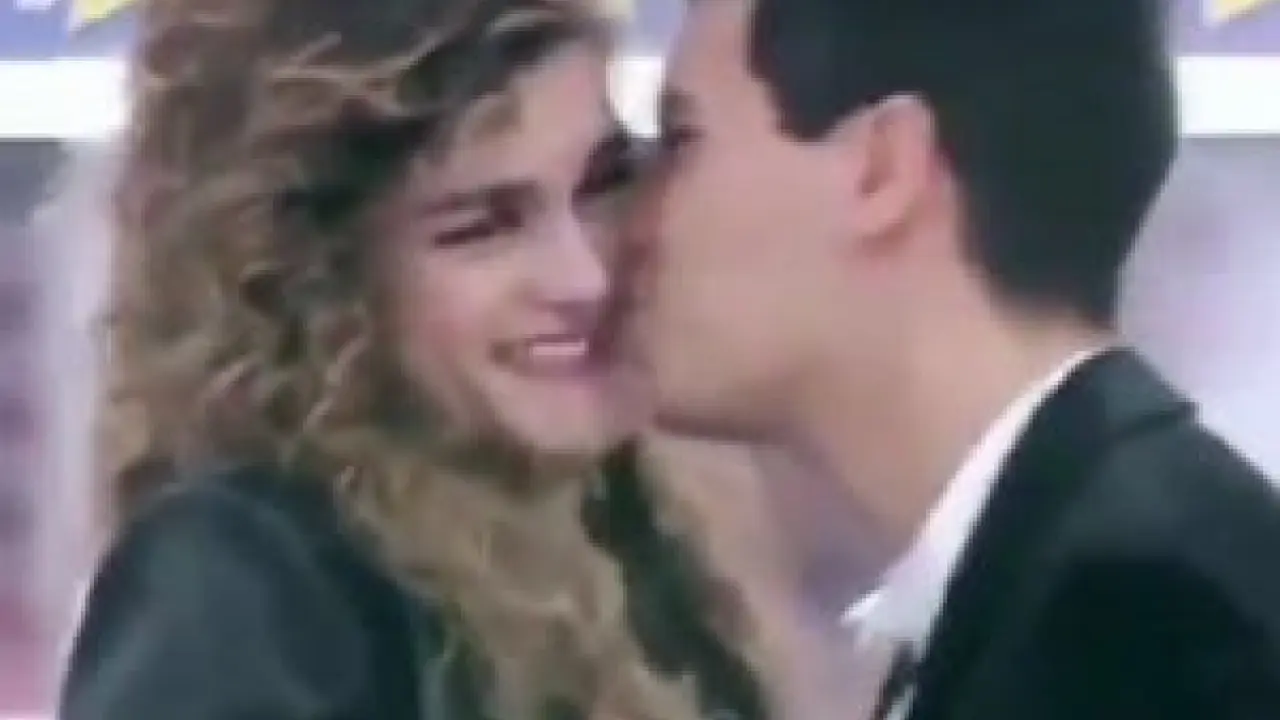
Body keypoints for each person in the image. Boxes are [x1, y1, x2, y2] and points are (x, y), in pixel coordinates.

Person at [59, 0, 768, 718]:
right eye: (481, 228)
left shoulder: (618, 532)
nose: (584, 277)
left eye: (603, 182)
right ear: (320, 281)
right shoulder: (241, 583)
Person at [628, 0, 1280, 718]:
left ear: (882, 169)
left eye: (680, 142)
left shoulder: (1147, 627)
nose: (627, 225)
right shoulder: (1072, 586)